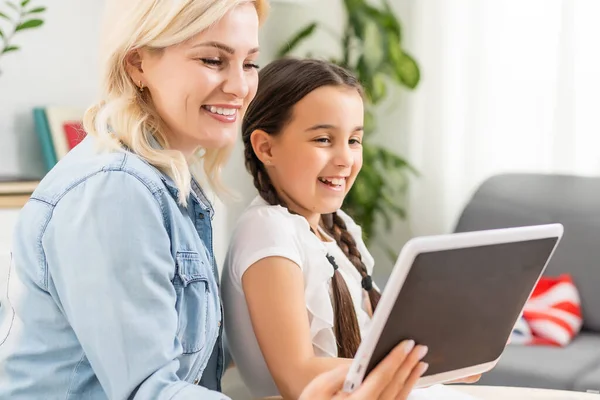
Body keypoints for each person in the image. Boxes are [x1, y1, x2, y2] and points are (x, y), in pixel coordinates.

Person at [0, 1, 435, 399]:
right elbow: (147, 393)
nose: (240, 85)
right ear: (138, 64)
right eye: (213, 60)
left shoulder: (175, 189)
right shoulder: (114, 191)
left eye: (249, 63)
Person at [221, 58, 481, 399]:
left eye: (354, 141)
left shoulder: (338, 229)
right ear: (266, 147)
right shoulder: (268, 232)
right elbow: (298, 378)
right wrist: (420, 365)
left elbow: (382, 343)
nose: (345, 159)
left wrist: (450, 350)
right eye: (324, 140)